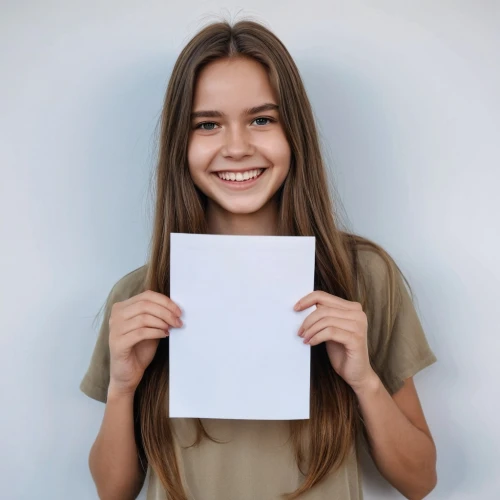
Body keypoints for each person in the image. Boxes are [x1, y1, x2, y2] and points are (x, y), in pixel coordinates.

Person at [80, 19, 438, 500]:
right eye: (207, 124)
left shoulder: (365, 277)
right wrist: (122, 388)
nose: (236, 147)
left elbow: (420, 481)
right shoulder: (138, 296)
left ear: (295, 133)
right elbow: (113, 492)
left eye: (261, 119)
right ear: (179, 146)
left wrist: (364, 380)